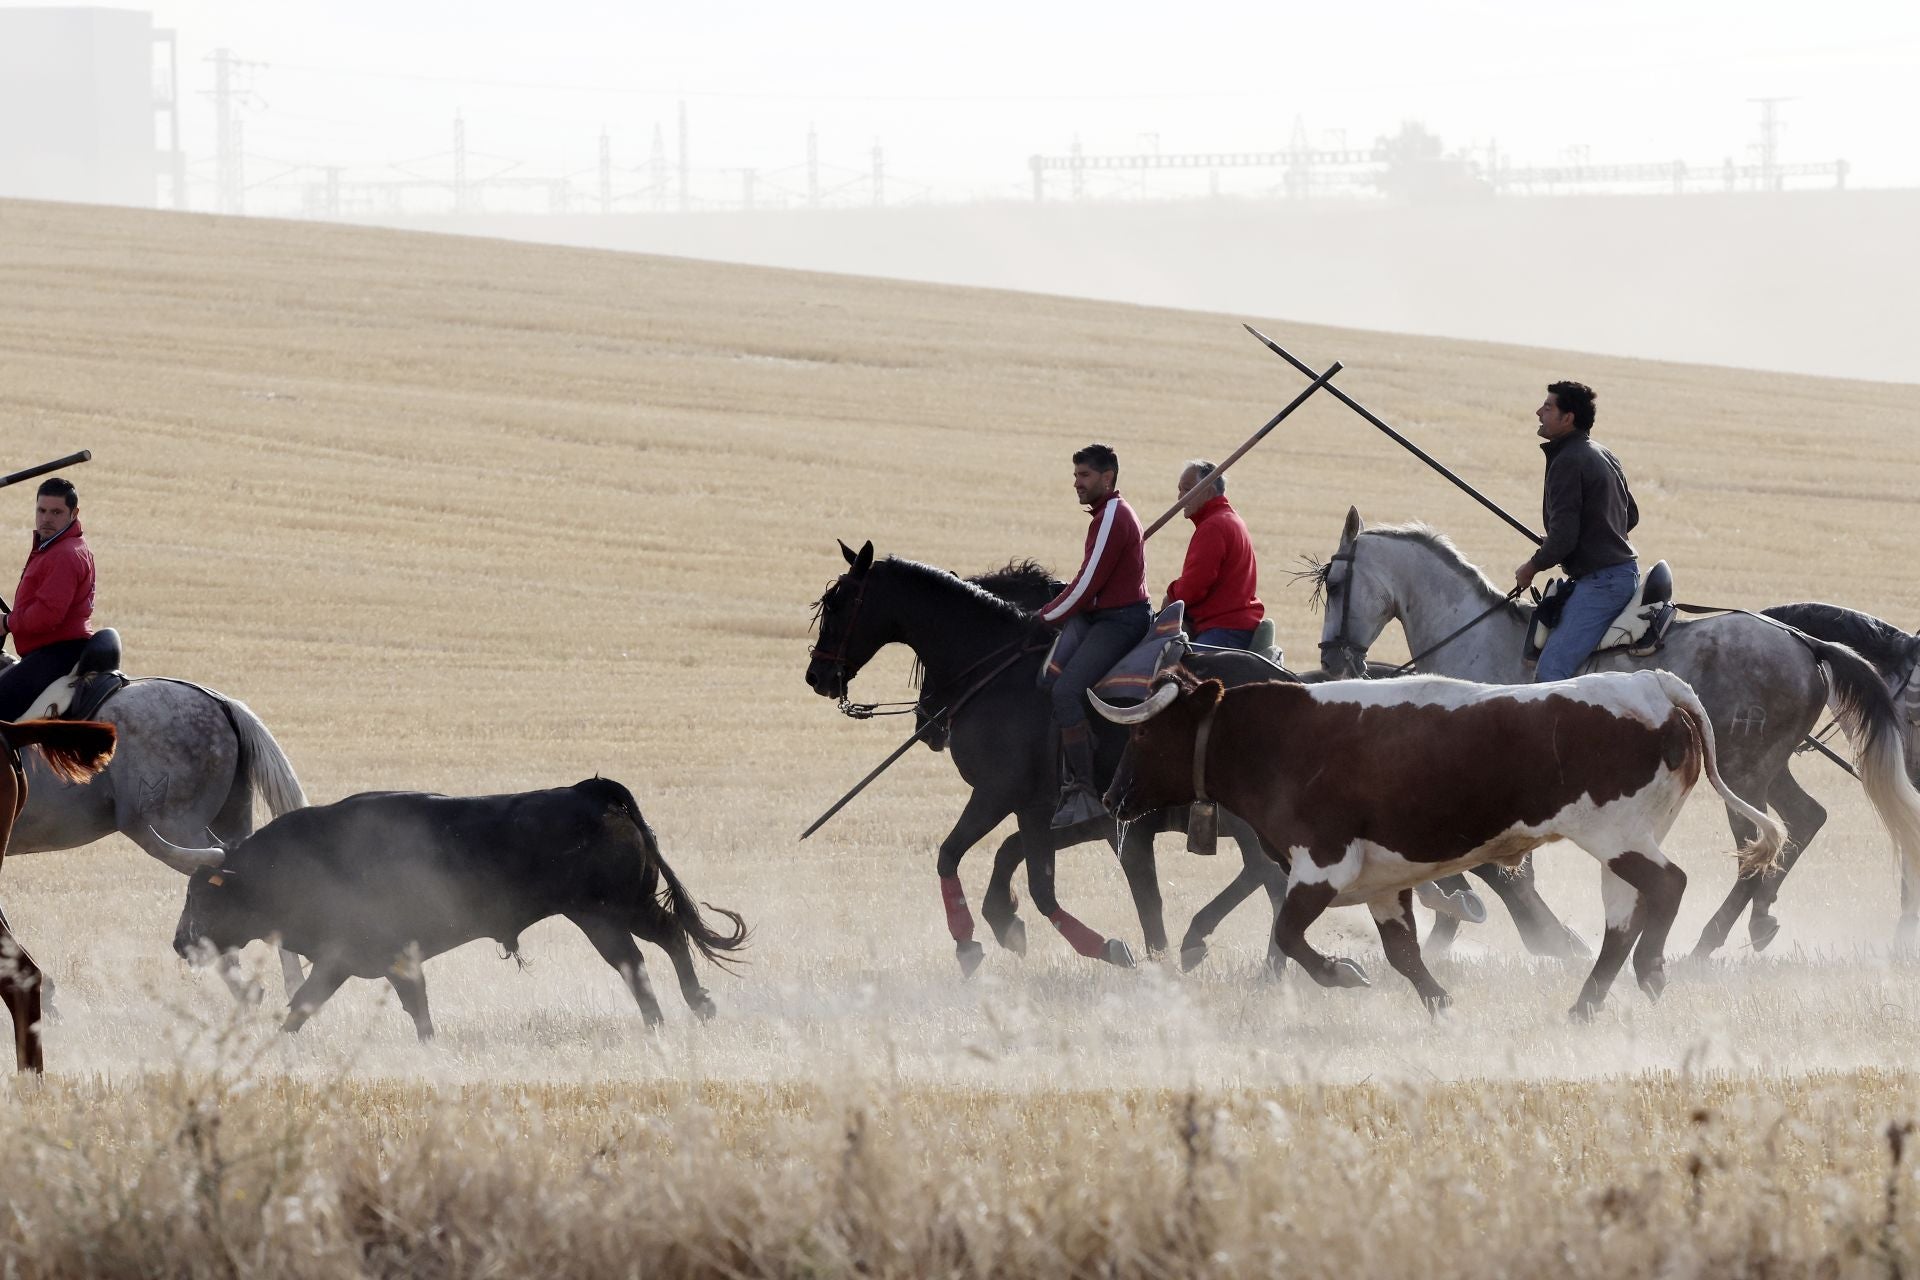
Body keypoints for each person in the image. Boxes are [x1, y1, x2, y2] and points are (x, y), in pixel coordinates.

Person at [1037, 443, 1150, 827]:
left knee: (1066, 691)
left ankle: (1085, 792)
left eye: (1084, 476)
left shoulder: (1112, 517)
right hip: (1103, 616)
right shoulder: (1105, 515)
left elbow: (1086, 584)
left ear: (1108, 477)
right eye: (1075, 476)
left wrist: (1042, 619)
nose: (1077, 484)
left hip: (1119, 621)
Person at [1512, 381, 1639, 682]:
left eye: (1548, 407)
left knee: (1550, 674)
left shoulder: (1568, 461)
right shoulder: (1602, 453)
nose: (1538, 412)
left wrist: (1531, 567)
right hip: (1619, 575)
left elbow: (1564, 539)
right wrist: (1586, 539)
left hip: (1602, 585)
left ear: (1567, 418)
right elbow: (1629, 517)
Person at [0, 477, 97, 721]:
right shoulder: (55, 547)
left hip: (58, 653)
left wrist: (6, 623)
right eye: (41, 510)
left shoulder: (64, 554)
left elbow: (47, 614)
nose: (46, 518)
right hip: (54, 650)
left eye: (56, 512)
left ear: (74, 513)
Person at [1162, 459, 1263, 649]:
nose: (1180, 498)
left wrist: (1171, 596)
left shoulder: (1213, 527)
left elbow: (1194, 586)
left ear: (1207, 491)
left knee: (1178, 676)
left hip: (1222, 629)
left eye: (1186, 489)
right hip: (1234, 625)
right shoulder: (1228, 519)